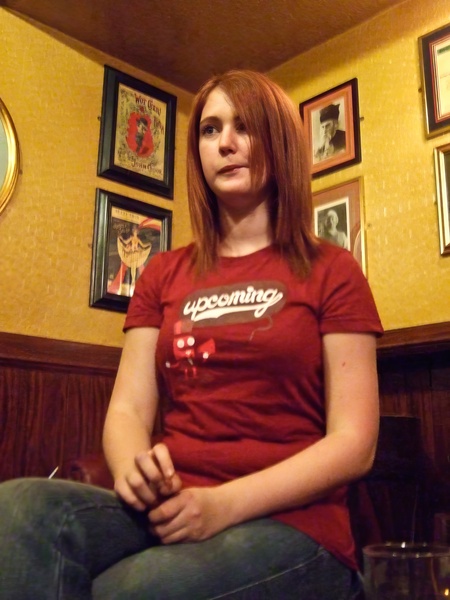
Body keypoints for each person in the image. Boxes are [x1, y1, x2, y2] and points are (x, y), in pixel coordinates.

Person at [0, 69, 383, 599]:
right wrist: (135, 469)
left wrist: (223, 505)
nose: (224, 143)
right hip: (175, 506)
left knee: (128, 590)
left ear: (279, 141)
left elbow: (354, 444)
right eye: (209, 129)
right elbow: (129, 411)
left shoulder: (332, 270)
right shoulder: (162, 273)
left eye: (243, 126)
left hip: (294, 524)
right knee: (17, 508)